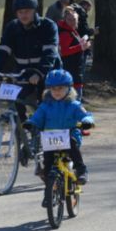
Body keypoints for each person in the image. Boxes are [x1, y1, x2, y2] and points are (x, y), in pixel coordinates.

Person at [0, 0, 62, 121]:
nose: (23, 15)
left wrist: (40, 73)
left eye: (27, 11)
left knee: (46, 105)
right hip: (23, 71)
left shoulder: (48, 26)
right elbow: (3, 52)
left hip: (47, 71)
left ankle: (43, 127)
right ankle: (20, 127)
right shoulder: (12, 27)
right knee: (15, 97)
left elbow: (50, 54)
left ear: (35, 10)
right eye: (20, 12)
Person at [23, 70, 94, 206]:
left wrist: (87, 121)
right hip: (51, 140)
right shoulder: (45, 106)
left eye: (60, 88)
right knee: (48, 166)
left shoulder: (74, 105)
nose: (57, 92)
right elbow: (37, 117)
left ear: (69, 88)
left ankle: (81, 169)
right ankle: (48, 194)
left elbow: (85, 114)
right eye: (53, 89)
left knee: (72, 143)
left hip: (70, 138)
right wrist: (31, 123)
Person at [57, 6, 91, 101]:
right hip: (70, 73)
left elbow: (74, 50)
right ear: (65, 20)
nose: (72, 22)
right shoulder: (65, 33)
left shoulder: (72, 31)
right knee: (74, 102)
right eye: (69, 20)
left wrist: (83, 46)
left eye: (74, 19)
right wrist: (80, 47)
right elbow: (62, 52)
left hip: (74, 71)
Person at [70, 0, 98, 101]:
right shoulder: (81, 14)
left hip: (76, 47)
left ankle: (76, 96)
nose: (87, 12)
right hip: (81, 47)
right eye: (88, 9)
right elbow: (85, 31)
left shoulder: (71, 14)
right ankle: (78, 97)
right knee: (80, 72)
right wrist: (93, 31)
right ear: (85, 6)